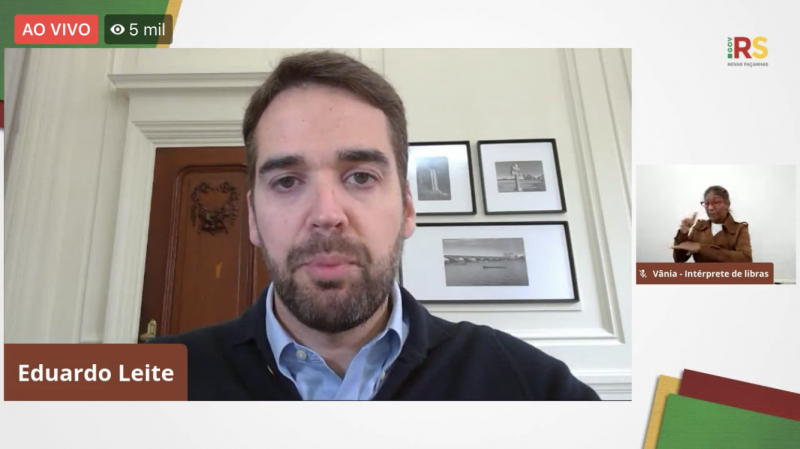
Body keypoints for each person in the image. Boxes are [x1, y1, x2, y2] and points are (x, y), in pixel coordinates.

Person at [150, 51, 599, 401]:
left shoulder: (528, 383)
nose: (327, 214)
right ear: (252, 217)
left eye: (361, 177)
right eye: (287, 181)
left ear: (407, 207)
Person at [671, 185, 752, 263]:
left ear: (727, 204)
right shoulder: (700, 227)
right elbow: (679, 259)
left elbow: (745, 260)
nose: (710, 208)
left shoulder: (739, 229)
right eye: (706, 204)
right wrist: (683, 233)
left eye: (716, 202)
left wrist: (701, 248)